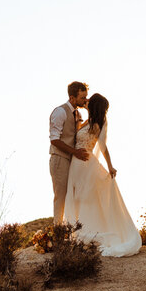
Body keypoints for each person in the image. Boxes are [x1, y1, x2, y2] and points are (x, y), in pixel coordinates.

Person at [63, 93, 141, 257]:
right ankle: (77, 233)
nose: (87, 100)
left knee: (85, 199)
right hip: (76, 164)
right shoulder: (86, 120)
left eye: (90, 100)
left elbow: (103, 147)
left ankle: (86, 233)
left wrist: (110, 166)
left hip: (86, 164)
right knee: (76, 197)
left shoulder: (98, 123)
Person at [49, 81, 90, 224]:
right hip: (59, 159)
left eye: (86, 97)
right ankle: (58, 230)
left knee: (74, 196)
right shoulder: (60, 112)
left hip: (72, 160)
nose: (85, 100)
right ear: (72, 98)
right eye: (82, 98)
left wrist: (88, 109)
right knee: (60, 196)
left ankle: (72, 229)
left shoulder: (77, 113)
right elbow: (54, 140)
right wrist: (75, 152)